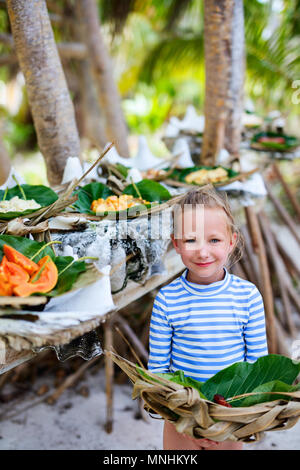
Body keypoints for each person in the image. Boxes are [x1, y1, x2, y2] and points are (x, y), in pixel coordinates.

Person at [148, 186, 268, 450]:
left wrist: (233, 420)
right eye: (191, 240)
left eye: (214, 240)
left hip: (230, 413)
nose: (202, 252)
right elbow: (158, 372)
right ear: (176, 244)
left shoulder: (247, 296)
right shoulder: (167, 300)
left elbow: (257, 369)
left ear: (231, 241)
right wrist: (185, 422)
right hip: (181, 413)